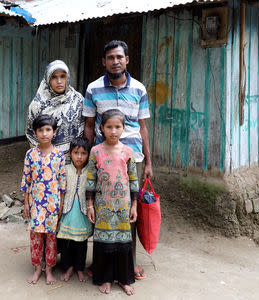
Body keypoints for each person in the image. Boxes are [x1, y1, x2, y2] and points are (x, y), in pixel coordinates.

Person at [83, 40, 152, 279]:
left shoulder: (139, 89)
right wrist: (85, 158)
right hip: (102, 159)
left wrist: (149, 163)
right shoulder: (93, 89)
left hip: (131, 158)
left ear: (127, 60)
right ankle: (99, 263)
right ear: (104, 62)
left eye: (119, 57)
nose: (115, 61)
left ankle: (129, 264)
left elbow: (143, 128)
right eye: (110, 57)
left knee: (129, 212)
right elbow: (89, 125)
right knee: (101, 210)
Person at [86, 109, 139, 296]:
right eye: (109, 127)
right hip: (103, 207)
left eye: (117, 127)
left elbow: (134, 180)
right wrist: (90, 205)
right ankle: (106, 278)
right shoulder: (95, 151)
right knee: (103, 243)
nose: (113, 131)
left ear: (124, 128)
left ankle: (124, 280)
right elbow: (91, 180)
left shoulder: (128, 152)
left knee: (123, 243)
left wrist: (134, 205)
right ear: (101, 128)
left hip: (123, 206)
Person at [21, 114, 66, 285]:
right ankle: (37, 268)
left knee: (51, 237)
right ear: (35, 132)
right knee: (36, 236)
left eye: (48, 130)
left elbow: (62, 181)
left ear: (54, 132)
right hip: (36, 203)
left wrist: (60, 204)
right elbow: (26, 180)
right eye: (41, 130)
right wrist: (26, 203)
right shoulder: (30, 154)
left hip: (53, 203)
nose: (45, 133)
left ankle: (49, 269)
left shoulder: (59, 155)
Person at [26, 60, 85, 155]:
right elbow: (31, 135)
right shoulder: (37, 105)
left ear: (68, 78)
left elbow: (83, 129)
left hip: (73, 160)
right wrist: (43, 158)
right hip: (47, 161)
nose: (59, 81)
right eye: (54, 77)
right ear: (47, 79)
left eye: (63, 76)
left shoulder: (78, 100)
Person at [57, 137, 92, 283]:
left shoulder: (90, 171)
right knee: (66, 241)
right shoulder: (65, 169)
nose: (79, 156)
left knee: (81, 242)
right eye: (76, 152)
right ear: (70, 153)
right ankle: (68, 267)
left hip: (82, 211)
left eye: (83, 153)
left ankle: (79, 268)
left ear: (88, 155)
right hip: (67, 210)